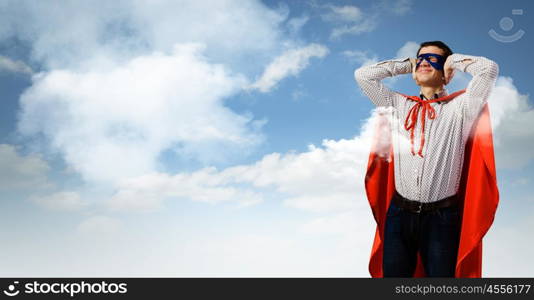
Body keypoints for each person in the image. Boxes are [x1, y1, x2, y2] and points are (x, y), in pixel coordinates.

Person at [354, 41, 499, 277]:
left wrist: (453, 61)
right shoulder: (397, 104)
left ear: (447, 74)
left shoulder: (462, 107)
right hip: (400, 214)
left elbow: (488, 69)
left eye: (434, 60)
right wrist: (407, 64)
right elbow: (363, 76)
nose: (424, 62)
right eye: (421, 58)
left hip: (442, 219)